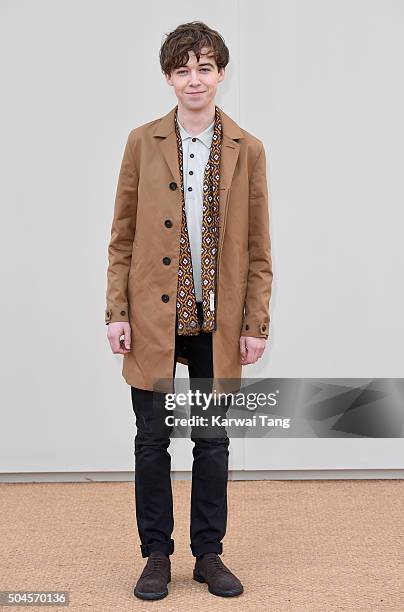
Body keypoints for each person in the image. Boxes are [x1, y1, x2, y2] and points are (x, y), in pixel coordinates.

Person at [105, 20, 273, 601]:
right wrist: (115, 311)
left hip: (217, 320)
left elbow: (258, 247)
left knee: (213, 439)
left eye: (205, 68)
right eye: (183, 70)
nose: (194, 79)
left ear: (220, 73)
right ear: (169, 78)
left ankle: (209, 554)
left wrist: (255, 323)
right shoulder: (140, 142)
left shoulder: (247, 149)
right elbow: (122, 235)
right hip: (152, 318)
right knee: (151, 440)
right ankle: (156, 554)